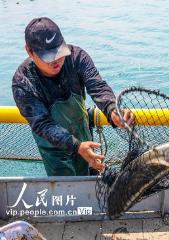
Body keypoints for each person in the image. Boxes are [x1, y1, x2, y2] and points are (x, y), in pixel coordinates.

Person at [12, 17, 134, 176]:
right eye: (48, 56)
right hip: (53, 148)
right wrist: (77, 146)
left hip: (83, 134)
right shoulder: (22, 82)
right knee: (66, 190)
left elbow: (97, 86)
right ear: (29, 51)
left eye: (59, 52)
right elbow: (42, 124)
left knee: (89, 179)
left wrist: (112, 109)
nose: (56, 60)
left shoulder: (77, 57)